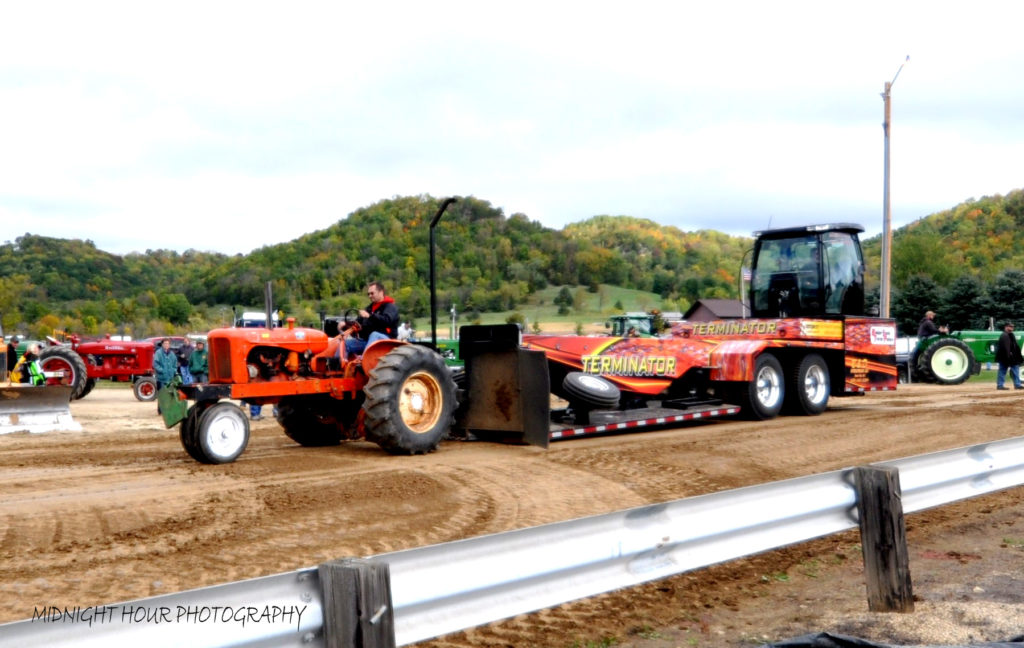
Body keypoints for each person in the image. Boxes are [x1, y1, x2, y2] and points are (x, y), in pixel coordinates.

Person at [342, 281, 399, 358]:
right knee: (344, 344)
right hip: (368, 341)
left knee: (375, 334)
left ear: (381, 292)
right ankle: (336, 364)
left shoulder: (390, 307)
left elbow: (387, 320)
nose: (370, 296)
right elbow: (358, 324)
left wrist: (370, 316)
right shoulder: (368, 309)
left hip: (387, 340)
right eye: (368, 294)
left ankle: (364, 360)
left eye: (372, 293)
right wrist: (346, 325)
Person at [995, 321, 1023, 390]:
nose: (1012, 328)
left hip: (1011, 357)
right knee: (1003, 370)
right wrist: (1008, 356)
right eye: (1010, 327)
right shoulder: (1004, 335)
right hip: (1005, 357)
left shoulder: (1011, 335)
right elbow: (1005, 348)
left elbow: (1015, 346)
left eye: (1012, 327)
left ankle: (1017, 384)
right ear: (1006, 327)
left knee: (1014, 370)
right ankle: (1000, 385)